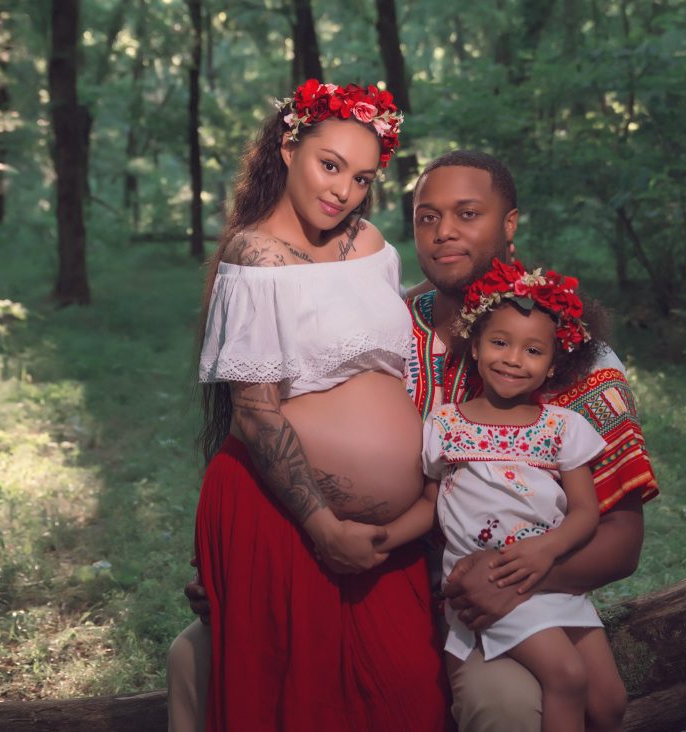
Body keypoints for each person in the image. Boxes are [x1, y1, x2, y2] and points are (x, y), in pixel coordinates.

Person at [169, 150, 659, 731]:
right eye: (427, 216)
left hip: (504, 602)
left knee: (502, 707)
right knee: (189, 657)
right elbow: (274, 420)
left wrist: (500, 580)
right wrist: (241, 564)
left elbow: (621, 542)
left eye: (468, 214)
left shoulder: (571, 358)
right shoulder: (382, 327)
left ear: (509, 225)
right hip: (369, 573)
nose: (444, 231)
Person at [189, 79, 449, 731]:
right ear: (288, 146)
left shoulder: (370, 245)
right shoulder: (255, 259)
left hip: (391, 537)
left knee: (407, 695)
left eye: (361, 178)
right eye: (329, 165)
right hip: (286, 514)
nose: (342, 190)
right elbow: (256, 413)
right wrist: (323, 528)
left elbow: (381, 337)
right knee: (297, 707)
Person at [379, 257, 627, 732]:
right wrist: (382, 536)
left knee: (610, 702)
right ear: (474, 347)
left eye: (533, 351)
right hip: (488, 584)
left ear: (553, 364)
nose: (513, 359)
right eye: (499, 342)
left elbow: (584, 513)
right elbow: (432, 507)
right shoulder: (446, 424)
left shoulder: (563, 428)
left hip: (547, 573)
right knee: (568, 677)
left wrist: (545, 551)